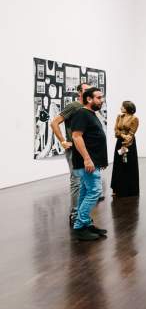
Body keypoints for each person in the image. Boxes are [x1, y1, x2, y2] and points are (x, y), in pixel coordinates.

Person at [69, 87, 109, 242]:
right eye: (98, 97)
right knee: (95, 191)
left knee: (85, 192)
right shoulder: (81, 113)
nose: (102, 100)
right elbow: (76, 137)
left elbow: (93, 138)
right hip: (87, 162)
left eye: (102, 97)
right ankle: (80, 225)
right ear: (89, 99)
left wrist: (100, 161)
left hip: (93, 162)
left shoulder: (91, 114)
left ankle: (85, 224)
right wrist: (87, 159)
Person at [51, 83, 88, 226]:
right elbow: (54, 122)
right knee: (76, 180)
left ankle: (82, 213)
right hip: (73, 149)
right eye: (87, 90)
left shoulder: (86, 108)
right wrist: (63, 141)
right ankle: (75, 214)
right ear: (80, 92)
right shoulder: (73, 106)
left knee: (85, 181)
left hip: (83, 149)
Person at [111, 101, 140, 197]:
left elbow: (131, 134)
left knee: (128, 164)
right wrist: (122, 135)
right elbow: (115, 130)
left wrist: (123, 138)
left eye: (122, 106)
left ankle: (129, 190)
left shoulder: (134, 119)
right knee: (118, 164)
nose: (121, 108)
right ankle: (117, 189)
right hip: (119, 142)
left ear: (127, 108)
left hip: (129, 144)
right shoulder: (119, 117)